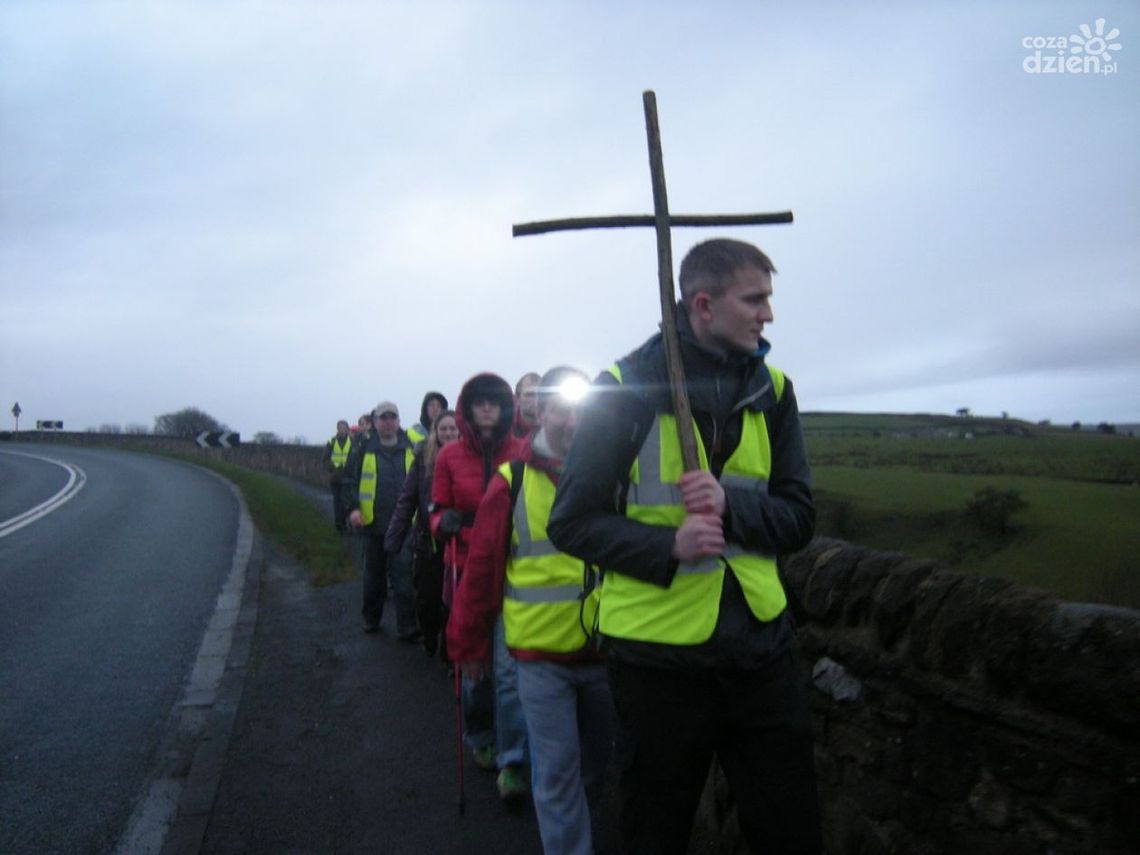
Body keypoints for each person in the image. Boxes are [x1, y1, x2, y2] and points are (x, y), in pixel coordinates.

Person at [548, 238, 821, 855]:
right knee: (654, 832)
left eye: (768, 300)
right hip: (655, 662)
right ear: (703, 304)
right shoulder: (623, 388)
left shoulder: (773, 391)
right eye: (754, 300)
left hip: (762, 652)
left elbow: (800, 518)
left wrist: (732, 506)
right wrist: (669, 544)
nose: (767, 315)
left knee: (793, 831)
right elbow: (572, 521)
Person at [450, 366, 612, 853]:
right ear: (539, 412)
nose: (573, 420)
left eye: (583, 409)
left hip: (604, 653)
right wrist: (470, 644)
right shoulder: (511, 480)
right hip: (539, 658)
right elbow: (481, 571)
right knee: (558, 773)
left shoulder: (611, 475)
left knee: (596, 770)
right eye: (563, 409)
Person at [430, 373, 528, 795]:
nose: (486, 408)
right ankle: (482, 738)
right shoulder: (448, 457)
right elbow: (436, 509)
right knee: (474, 669)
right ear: (468, 407)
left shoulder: (522, 451)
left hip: (511, 570)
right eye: (479, 402)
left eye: (494, 401)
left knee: (507, 672)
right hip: (466, 570)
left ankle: (512, 759)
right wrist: (442, 522)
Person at [385, 409, 459, 657]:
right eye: (444, 428)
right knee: (427, 599)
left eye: (453, 428)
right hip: (427, 542)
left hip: (456, 544)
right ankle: (429, 635)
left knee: (453, 603)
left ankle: (449, 653)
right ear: (435, 432)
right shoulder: (422, 460)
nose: (448, 433)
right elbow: (407, 500)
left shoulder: (469, 459)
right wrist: (394, 538)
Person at [343, 401, 418, 639]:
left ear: (398, 421)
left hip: (403, 526)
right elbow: (349, 481)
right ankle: (371, 619)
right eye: (383, 418)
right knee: (373, 579)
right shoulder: (363, 448)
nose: (388, 422)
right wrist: (353, 509)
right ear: (375, 422)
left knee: (404, 579)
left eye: (392, 417)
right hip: (372, 525)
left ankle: (407, 627)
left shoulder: (412, 447)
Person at [322, 419, 353, 531]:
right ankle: (339, 524)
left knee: (347, 501)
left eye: (344, 428)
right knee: (337, 501)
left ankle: (345, 522)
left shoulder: (352, 441)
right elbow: (325, 459)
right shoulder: (331, 441)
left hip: (348, 476)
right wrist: (333, 468)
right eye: (340, 428)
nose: (342, 430)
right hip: (335, 477)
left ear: (347, 429)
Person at [512, 372, 540, 439]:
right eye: (529, 395)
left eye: (540, 394)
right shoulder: (504, 428)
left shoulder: (555, 424)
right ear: (517, 399)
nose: (536, 400)